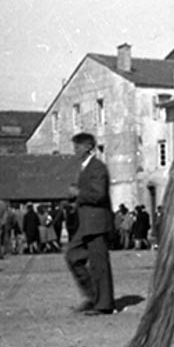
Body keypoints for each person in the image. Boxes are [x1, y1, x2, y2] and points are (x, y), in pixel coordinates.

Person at [64, 132, 116, 314]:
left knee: (98, 264)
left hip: (97, 223)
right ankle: (93, 296)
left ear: (88, 147)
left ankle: (103, 305)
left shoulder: (97, 167)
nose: (75, 151)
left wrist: (78, 194)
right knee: (72, 256)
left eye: (77, 147)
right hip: (86, 223)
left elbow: (99, 194)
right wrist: (74, 202)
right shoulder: (86, 168)